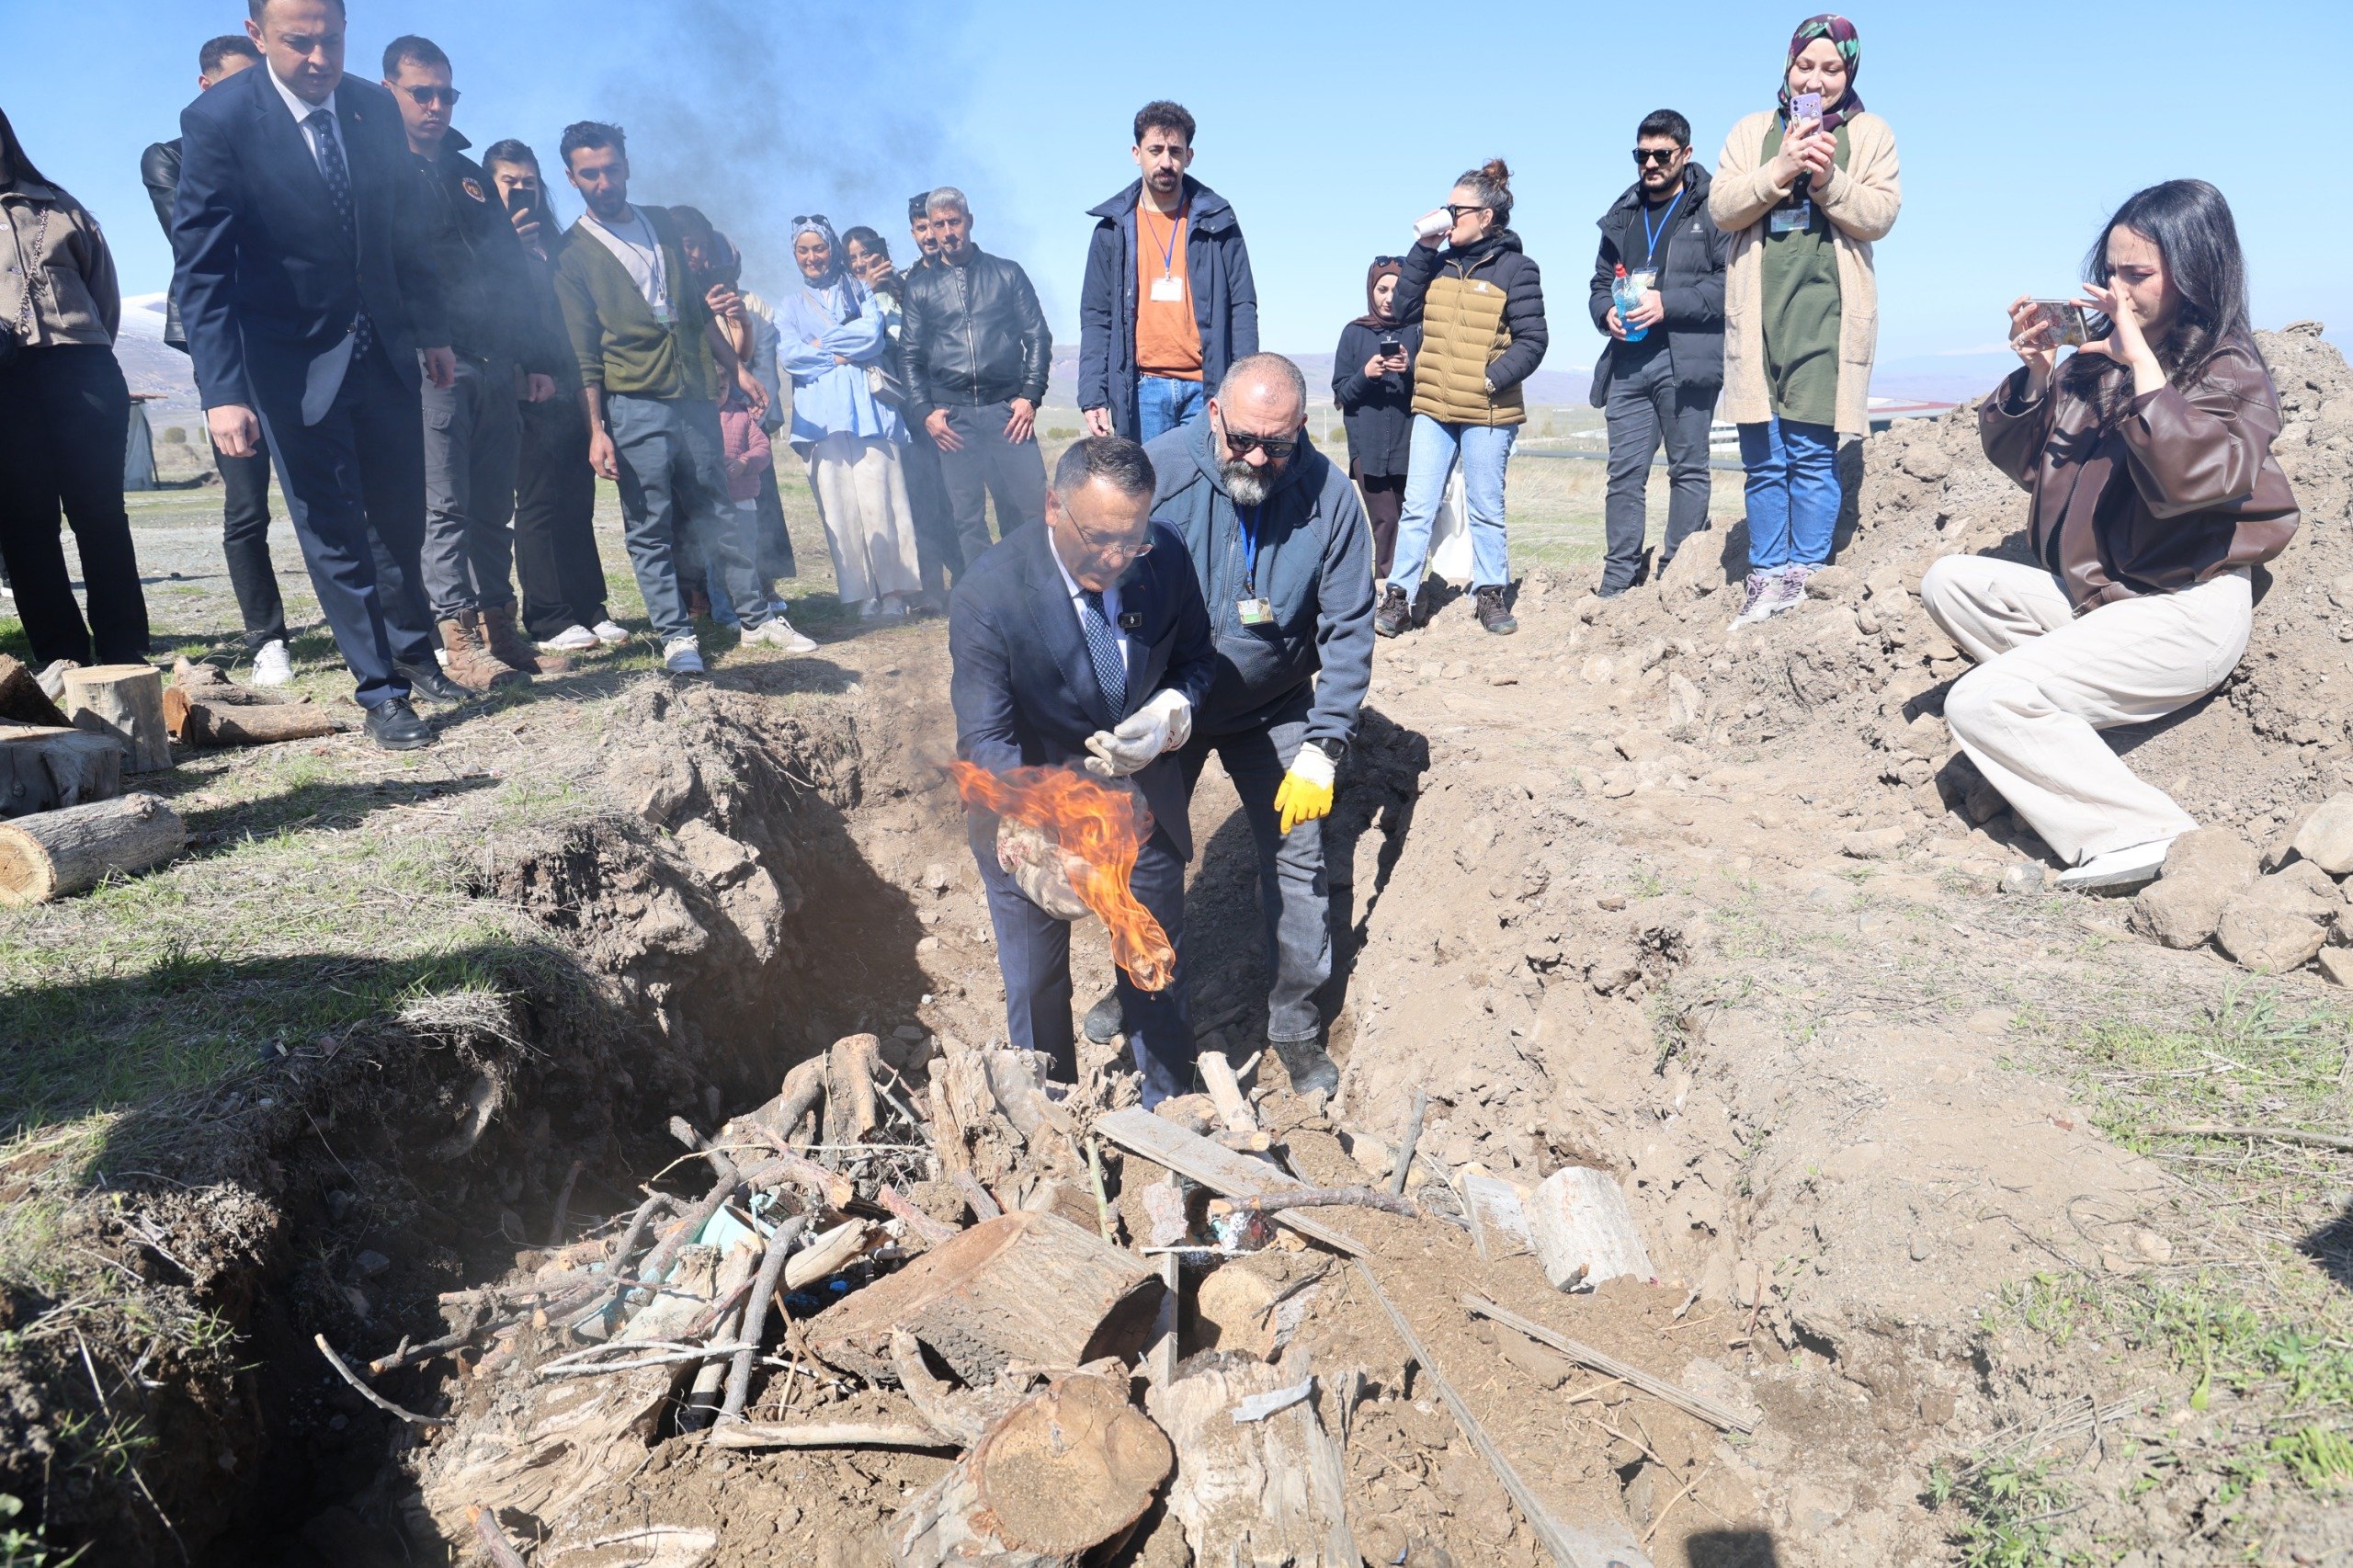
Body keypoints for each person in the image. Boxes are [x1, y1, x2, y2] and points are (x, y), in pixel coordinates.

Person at [1925, 181, 2298, 893]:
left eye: (2139, 275)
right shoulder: (2095, 364)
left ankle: (2145, 831)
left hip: (2186, 610)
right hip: (2105, 597)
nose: (2119, 293)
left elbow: (2199, 478)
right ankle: (2068, 715)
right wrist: (2037, 377)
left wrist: (2143, 371)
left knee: (1977, 702)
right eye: (2113, 272)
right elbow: (2034, 465)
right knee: (1950, 582)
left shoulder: (2228, 369)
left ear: (2194, 273)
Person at [173, 0, 467, 751]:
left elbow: (408, 231)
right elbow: (202, 271)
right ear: (256, 36)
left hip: (384, 350)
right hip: (287, 361)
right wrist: (223, 390)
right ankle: (382, 692)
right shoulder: (221, 121)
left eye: (330, 41)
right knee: (333, 527)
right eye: (297, 43)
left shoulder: (371, 107)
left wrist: (431, 330)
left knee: (399, 515)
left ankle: (416, 651)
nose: (317, 58)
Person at [949, 436, 1216, 1103]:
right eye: (1098, 538)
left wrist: (1171, 713)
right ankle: (1054, 1121)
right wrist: (1040, 825)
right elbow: (985, 737)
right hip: (1029, 819)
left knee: (1152, 965)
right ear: (1051, 507)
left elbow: (1196, 658)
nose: (1116, 558)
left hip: (1140, 803)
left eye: (1132, 540)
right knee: (1038, 984)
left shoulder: (1167, 553)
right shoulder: (990, 594)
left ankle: (1171, 1110)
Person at [1145, 355, 1374, 1097]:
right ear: (1215, 414)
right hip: (1170, 703)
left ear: (1301, 430)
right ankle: (1140, 991)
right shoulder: (1159, 477)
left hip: (1272, 706)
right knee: (1143, 855)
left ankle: (1295, 1023)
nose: (1255, 458)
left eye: (1276, 445)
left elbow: (1348, 630)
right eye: (1242, 438)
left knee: (1301, 861)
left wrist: (1325, 744)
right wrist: (1132, 710)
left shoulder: (1330, 499)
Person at [551, 120, 813, 675]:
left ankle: (756, 620)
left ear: (626, 166)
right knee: (649, 523)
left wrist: (736, 371)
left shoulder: (663, 226)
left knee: (719, 508)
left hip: (694, 393)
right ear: (572, 177)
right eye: (590, 173)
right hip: (633, 402)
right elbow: (583, 351)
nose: (604, 181)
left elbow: (693, 310)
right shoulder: (572, 253)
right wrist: (597, 428)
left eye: (612, 169)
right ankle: (676, 637)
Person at [383, 35, 572, 691]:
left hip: (498, 359)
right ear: (391, 92)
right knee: (447, 507)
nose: (436, 106)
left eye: (446, 94)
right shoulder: (378, 168)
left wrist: (537, 356)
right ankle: (458, 641)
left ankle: (503, 634)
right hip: (433, 362)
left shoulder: (468, 176)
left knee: (495, 505)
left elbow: (512, 273)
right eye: (422, 93)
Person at [1709, 13, 1900, 626]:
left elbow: (1879, 215)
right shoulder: (1752, 131)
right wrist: (1781, 168)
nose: (1816, 78)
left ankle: (1805, 576)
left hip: (1826, 314)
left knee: (1810, 453)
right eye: (1805, 65)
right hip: (1757, 312)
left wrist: (1826, 179)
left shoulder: (1870, 135)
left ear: (1849, 73)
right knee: (1762, 455)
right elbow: (1722, 207)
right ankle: (1765, 575)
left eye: (1832, 68)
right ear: (1788, 68)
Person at [142, 34, 292, 685]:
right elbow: (201, 240)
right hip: (226, 345)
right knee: (246, 500)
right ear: (206, 88)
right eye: (238, 85)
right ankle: (268, 639)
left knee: (337, 491)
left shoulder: (291, 150)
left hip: (293, 336)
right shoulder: (168, 158)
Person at [1373, 159, 1548, 641]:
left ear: (1486, 217)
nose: (1449, 217)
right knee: (1418, 506)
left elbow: (1533, 340)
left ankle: (1489, 592)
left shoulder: (1517, 268)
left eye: (1457, 209)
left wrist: (1490, 380)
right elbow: (1403, 309)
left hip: (1489, 411)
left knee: (1485, 505)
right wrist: (1422, 248)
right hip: (1434, 405)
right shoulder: (1436, 263)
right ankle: (1399, 597)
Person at [0, 109, 150, 671]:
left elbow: (103, 297)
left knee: (99, 511)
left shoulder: (60, 208)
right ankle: (59, 654)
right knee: (23, 518)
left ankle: (125, 646)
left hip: (80, 370)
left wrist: (81, 350)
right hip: (4, 386)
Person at [480, 138, 626, 654]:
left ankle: (590, 606)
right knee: (539, 503)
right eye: (509, 183)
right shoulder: (485, 246)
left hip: (571, 387)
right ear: (487, 186)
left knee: (577, 502)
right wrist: (504, 251)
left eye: (529, 183)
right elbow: (499, 317)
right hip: (524, 391)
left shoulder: (557, 245)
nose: (522, 192)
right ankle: (546, 617)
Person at [1589, 108, 1732, 597]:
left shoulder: (1714, 209)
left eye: (1661, 154)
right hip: (1627, 363)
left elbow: (1730, 286)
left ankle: (1677, 575)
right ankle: (1618, 577)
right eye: (1641, 154)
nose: (1650, 163)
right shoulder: (1623, 212)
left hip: (1684, 359)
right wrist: (1604, 309)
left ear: (1686, 154)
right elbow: (1599, 284)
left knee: (1687, 468)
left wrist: (1666, 303)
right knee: (1623, 474)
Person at [1079, 100, 1259, 444]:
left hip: (1209, 390)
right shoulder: (1110, 231)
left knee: (1208, 492)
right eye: (1156, 150)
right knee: (1149, 494)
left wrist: (1244, 384)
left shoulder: (1219, 222)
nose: (1166, 162)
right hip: (1141, 389)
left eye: (1175, 151)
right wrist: (1093, 394)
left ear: (1189, 156)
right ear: (1136, 153)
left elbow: (1242, 307)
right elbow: (1096, 318)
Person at [777, 215, 924, 621]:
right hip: (821, 421)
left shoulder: (859, 290)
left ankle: (894, 592)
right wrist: (839, 352)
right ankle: (862, 597)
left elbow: (871, 335)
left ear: (832, 250)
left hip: (869, 411)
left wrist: (818, 347)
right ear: (795, 255)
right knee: (839, 509)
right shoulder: (788, 306)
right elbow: (790, 356)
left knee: (884, 501)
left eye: (819, 248)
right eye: (803, 251)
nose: (812, 257)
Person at [899, 187, 1051, 573]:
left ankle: (1037, 593)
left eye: (954, 221)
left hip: (1008, 413)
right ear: (930, 230)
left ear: (969, 221)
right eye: (939, 224)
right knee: (967, 519)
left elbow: (1036, 336)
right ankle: (985, 606)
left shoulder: (1007, 273)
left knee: (1029, 509)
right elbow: (910, 356)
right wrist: (925, 413)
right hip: (954, 419)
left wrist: (1029, 396)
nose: (948, 231)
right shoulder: (919, 288)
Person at [1331, 257, 1419, 582]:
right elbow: (1342, 394)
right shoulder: (1354, 334)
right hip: (1366, 451)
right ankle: (1388, 588)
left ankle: (1404, 587)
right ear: (1371, 289)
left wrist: (1409, 369)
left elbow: (1430, 389)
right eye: (1382, 289)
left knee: (1408, 520)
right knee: (1386, 521)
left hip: (1407, 448)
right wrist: (1366, 374)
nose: (1388, 298)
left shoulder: (1415, 331)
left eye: (1397, 290)